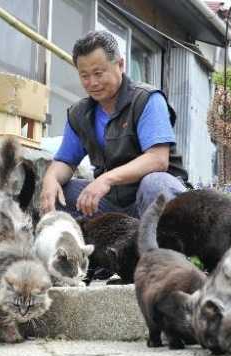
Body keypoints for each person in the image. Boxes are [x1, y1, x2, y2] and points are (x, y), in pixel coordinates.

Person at [40, 30, 188, 220]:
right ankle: (83, 248)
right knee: (62, 193)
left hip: (154, 199)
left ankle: (164, 247)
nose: (92, 82)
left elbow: (158, 159)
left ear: (120, 64)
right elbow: (65, 161)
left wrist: (106, 179)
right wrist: (50, 179)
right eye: (84, 75)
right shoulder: (80, 114)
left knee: (155, 183)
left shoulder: (146, 100)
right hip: (112, 203)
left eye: (98, 73)